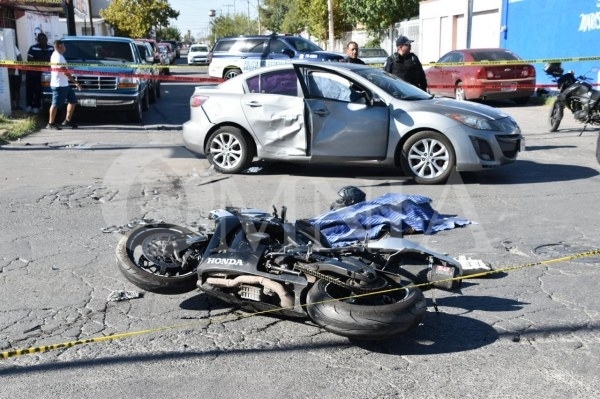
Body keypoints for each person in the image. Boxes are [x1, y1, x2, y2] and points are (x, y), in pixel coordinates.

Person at [47, 39, 81, 130]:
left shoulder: (59, 56)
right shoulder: (57, 57)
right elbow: (64, 72)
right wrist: (76, 82)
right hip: (59, 85)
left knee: (73, 100)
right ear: (60, 46)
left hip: (64, 84)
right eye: (64, 45)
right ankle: (51, 123)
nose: (65, 47)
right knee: (55, 104)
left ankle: (67, 120)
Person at [26, 32, 54, 114]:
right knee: (30, 90)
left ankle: (37, 106)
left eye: (44, 39)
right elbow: (30, 59)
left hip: (46, 74)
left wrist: (42, 62)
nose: (43, 41)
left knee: (39, 90)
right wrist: (44, 62)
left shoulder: (51, 48)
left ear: (46, 39)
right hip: (33, 73)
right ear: (38, 40)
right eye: (40, 39)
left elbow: (53, 60)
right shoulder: (33, 48)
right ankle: (29, 106)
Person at [8, 45, 22, 110]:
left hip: (11, 72)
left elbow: (20, 58)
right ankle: (16, 105)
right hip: (16, 71)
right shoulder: (13, 46)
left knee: (11, 89)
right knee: (16, 90)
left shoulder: (12, 46)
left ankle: (13, 105)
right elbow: (20, 58)